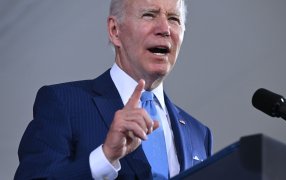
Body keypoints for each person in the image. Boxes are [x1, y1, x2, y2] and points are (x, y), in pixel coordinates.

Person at [14, 0, 213, 179]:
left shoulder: (199, 134)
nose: (165, 28)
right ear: (115, 30)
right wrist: (105, 156)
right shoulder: (64, 103)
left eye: (174, 18)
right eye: (149, 15)